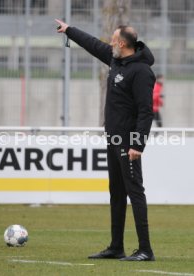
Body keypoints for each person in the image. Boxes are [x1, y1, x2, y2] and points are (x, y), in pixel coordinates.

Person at [56, 19, 155, 262]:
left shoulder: (141, 71)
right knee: (116, 193)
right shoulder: (116, 60)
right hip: (113, 139)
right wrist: (69, 30)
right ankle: (116, 247)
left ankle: (145, 250)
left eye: (113, 40)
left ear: (122, 43)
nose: (110, 44)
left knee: (135, 192)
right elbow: (92, 45)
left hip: (128, 142)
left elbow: (145, 111)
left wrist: (137, 144)